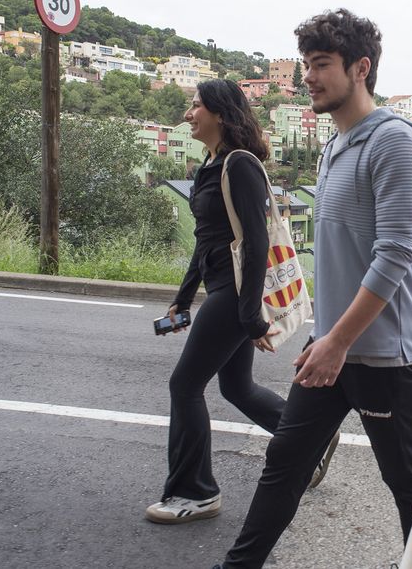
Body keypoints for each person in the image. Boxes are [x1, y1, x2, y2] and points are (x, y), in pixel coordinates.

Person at [215, 9, 412, 569]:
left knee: (406, 483)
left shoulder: (394, 142)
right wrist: (325, 338)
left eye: (322, 65)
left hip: (381, 354)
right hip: (331, 348)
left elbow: (397, 254)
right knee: (285, 461)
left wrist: (337, 341)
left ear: (361, 68)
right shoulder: (333, 147)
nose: (308, 76)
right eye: (306, 65)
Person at [145, 79, 287, 524]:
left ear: (220, 115)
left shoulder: (240, 165)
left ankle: (197, 493)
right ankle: (306, 437)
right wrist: (183, 299)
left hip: (233, 296)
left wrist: (250, 318)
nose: (188, 114)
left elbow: (256, 242)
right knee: (235, 387)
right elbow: (206, 241)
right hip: (221, 289)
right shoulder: (209, 166)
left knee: (184, 386)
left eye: (195, 106)